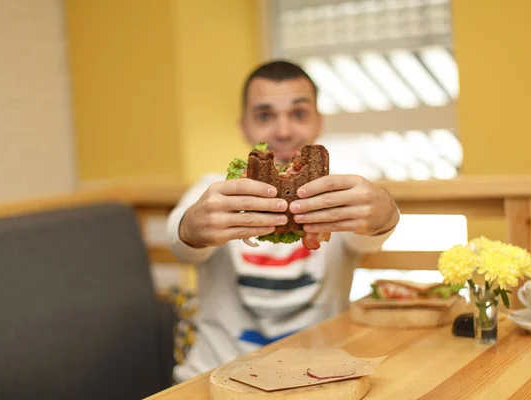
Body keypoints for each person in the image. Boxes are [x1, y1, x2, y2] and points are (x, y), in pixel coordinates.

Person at [167, 60, 400, 382]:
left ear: (319, 122)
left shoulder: (336, 193)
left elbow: (371, 233)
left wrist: (384, 210)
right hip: (214, 377)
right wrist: (192, 227)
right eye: (264, 116)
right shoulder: (214, 190)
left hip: (316, 377)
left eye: (299, 114)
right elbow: (180, 241)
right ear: (244, 126)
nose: (283, 131)